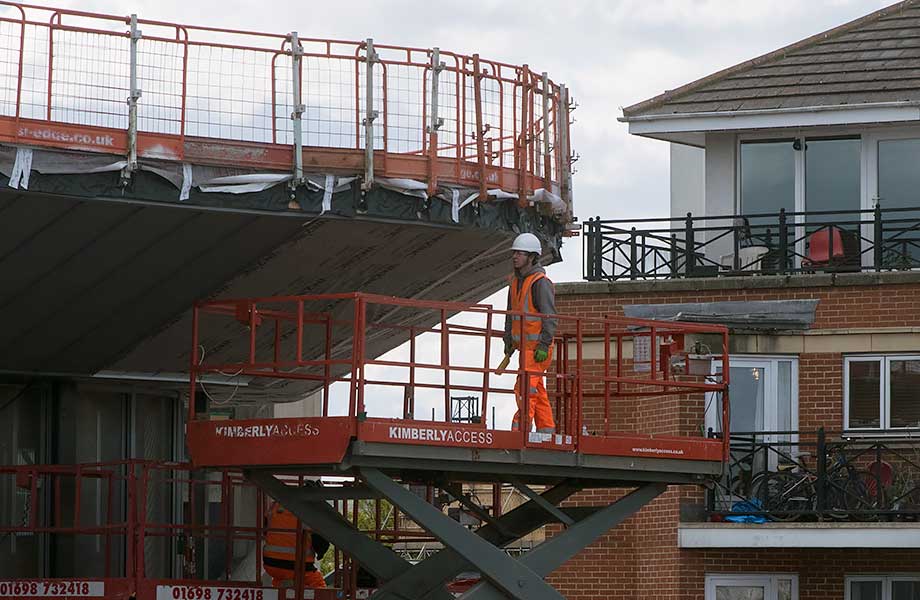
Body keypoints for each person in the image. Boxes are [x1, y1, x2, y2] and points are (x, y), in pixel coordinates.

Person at [504, 232, 557, 434]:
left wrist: (544, 344)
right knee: (537, 390)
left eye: (520, 253)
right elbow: (510, 314)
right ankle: (547, 430)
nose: (515, 256)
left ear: (532, 257)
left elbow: (549, 317)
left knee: (525, 389)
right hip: (524, 349)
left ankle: (520, 431)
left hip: (536, 350)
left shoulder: (540, 282)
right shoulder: (514, 282)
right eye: (514, 253)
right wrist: (508, 339)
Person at [263, 502, 330, 589]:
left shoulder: (275, 505)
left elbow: (265, 530)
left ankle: (281, 592)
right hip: (299, 566)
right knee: (319, 586)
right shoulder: (310, 510)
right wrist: (320, 554)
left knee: (280, 579)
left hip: (271, 565)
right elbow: (321, 544)